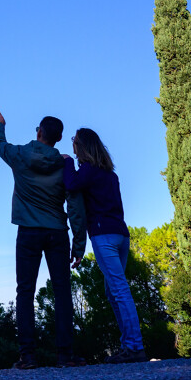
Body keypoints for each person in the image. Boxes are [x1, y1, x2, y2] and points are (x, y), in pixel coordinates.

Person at [0, 110, 87, 369]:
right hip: (57, 232)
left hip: (28, 232)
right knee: (62, 292)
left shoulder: (20, 155)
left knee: (25, 292)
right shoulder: (64, 163)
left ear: (39, 133)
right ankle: (65, 356)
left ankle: (28, 356)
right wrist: (79, 243)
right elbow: (76, 206)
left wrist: (0, 125)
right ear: (57, 139)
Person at [62, 127, 147, 364]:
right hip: (122, 235)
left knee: (119, 290)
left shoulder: (88, 171)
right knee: (113, 291)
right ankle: (128, 344)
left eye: (74, 141)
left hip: (103, 236)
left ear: (83, 146)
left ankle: (134, 346)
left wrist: (68, 162)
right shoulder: (111, 175)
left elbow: (70, 184)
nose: (72, 145)